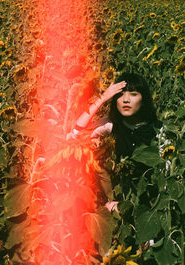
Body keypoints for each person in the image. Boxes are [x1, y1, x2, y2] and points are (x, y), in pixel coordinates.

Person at [66, 72, 161, 212]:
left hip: (149, 207)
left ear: (144, 99)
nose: (126, 100)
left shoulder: (159, 131)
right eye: (120, 95)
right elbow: (75, 134)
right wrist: (103, 98)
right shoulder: (112, 124)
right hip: (118, 205)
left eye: (133, 94)